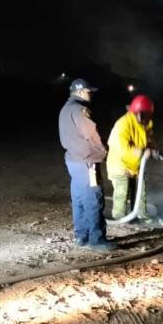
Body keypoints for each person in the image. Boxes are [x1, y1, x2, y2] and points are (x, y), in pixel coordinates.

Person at [58, 78, 116, 251]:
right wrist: (104, 150)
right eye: (89, 91)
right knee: (93, 199)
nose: (91, 94)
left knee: (79, 199)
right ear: (81, 91)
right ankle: (97, 240)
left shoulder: (65, 109)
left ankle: (81, 237)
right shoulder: (80, 110)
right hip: (87, 162)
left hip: (73, 160)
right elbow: (92, 134)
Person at [107, 94, 157, 221]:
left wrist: (154, 149)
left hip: (135, 164)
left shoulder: (146, 123)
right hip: (120, 164)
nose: (150, 117)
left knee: (141, 192)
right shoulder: (122, 124)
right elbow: (122, 149)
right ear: (139, 113)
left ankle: (141, 216)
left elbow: (149, 140)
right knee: (122, 193)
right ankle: (120, 219)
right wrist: (142, 152)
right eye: (147, 114)